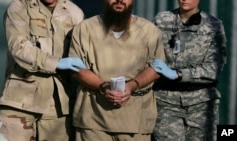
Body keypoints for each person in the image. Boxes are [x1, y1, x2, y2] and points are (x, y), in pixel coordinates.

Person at [68, 0, 165, 140]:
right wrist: (103, 87)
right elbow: (76, 68)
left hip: (135, 122)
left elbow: (156, 68)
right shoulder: (85, 28)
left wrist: (131, 86)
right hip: (93, 121)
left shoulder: (150, 31)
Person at [0, 0, 86, 140]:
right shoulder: (20, 6)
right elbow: (19, 48)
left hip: (58, 105)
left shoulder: (74, 12)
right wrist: (56, 63)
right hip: (20, 101)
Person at [151, 0, 227, 140]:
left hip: (202, 104)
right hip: (166, 102)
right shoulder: (162, 20)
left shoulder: (213, 25)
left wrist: (179, 74)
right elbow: (149, 54)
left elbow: (214, 68)